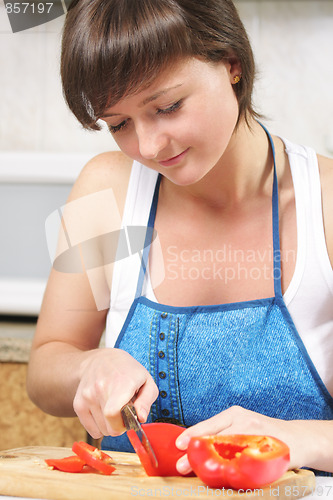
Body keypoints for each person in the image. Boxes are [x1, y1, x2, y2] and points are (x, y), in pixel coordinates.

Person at [27, 0, 333, 476]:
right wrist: (89, 367)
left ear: (231, 62)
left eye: (167, 107)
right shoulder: (106, 191)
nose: (148, 147)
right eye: (119, 125)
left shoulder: (325, 205)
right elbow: (46, 366)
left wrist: (300, 439)